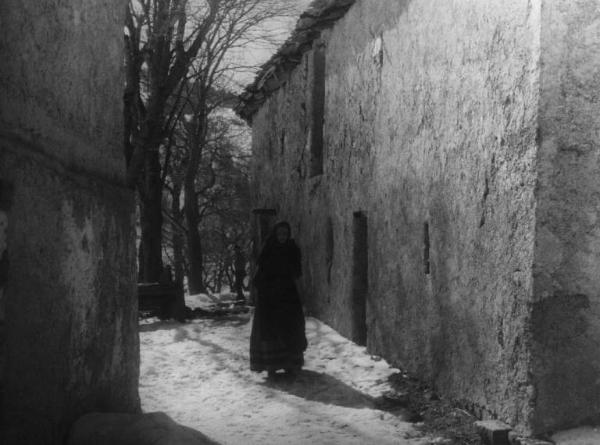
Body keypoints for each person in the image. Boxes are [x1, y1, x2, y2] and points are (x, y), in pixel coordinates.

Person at [250, 221, 307, 379]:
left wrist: (301, 294)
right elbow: (258, 274)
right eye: (280, 233)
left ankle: (290, 364)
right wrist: (260, 292)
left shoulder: (292, 250)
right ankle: (272, 366)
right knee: (271, 330)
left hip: (288, 296)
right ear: (275, 234)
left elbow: (297, 274)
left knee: (291, 327)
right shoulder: (268, 249)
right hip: (269, 298)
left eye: (285, 234)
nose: (282, 237)